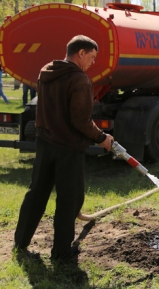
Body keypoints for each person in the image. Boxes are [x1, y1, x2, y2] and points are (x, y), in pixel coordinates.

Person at [14, 35, 114, 262]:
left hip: (45, 142)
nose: (92, 62)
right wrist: (101, 137)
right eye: (91, 56)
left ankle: (20, 242)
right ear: (80, 53)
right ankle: (61, 252)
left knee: (37, 192)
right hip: (68, 147)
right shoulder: (79, 79)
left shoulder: (46, 71)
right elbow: (80, 120)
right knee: (70, 199)